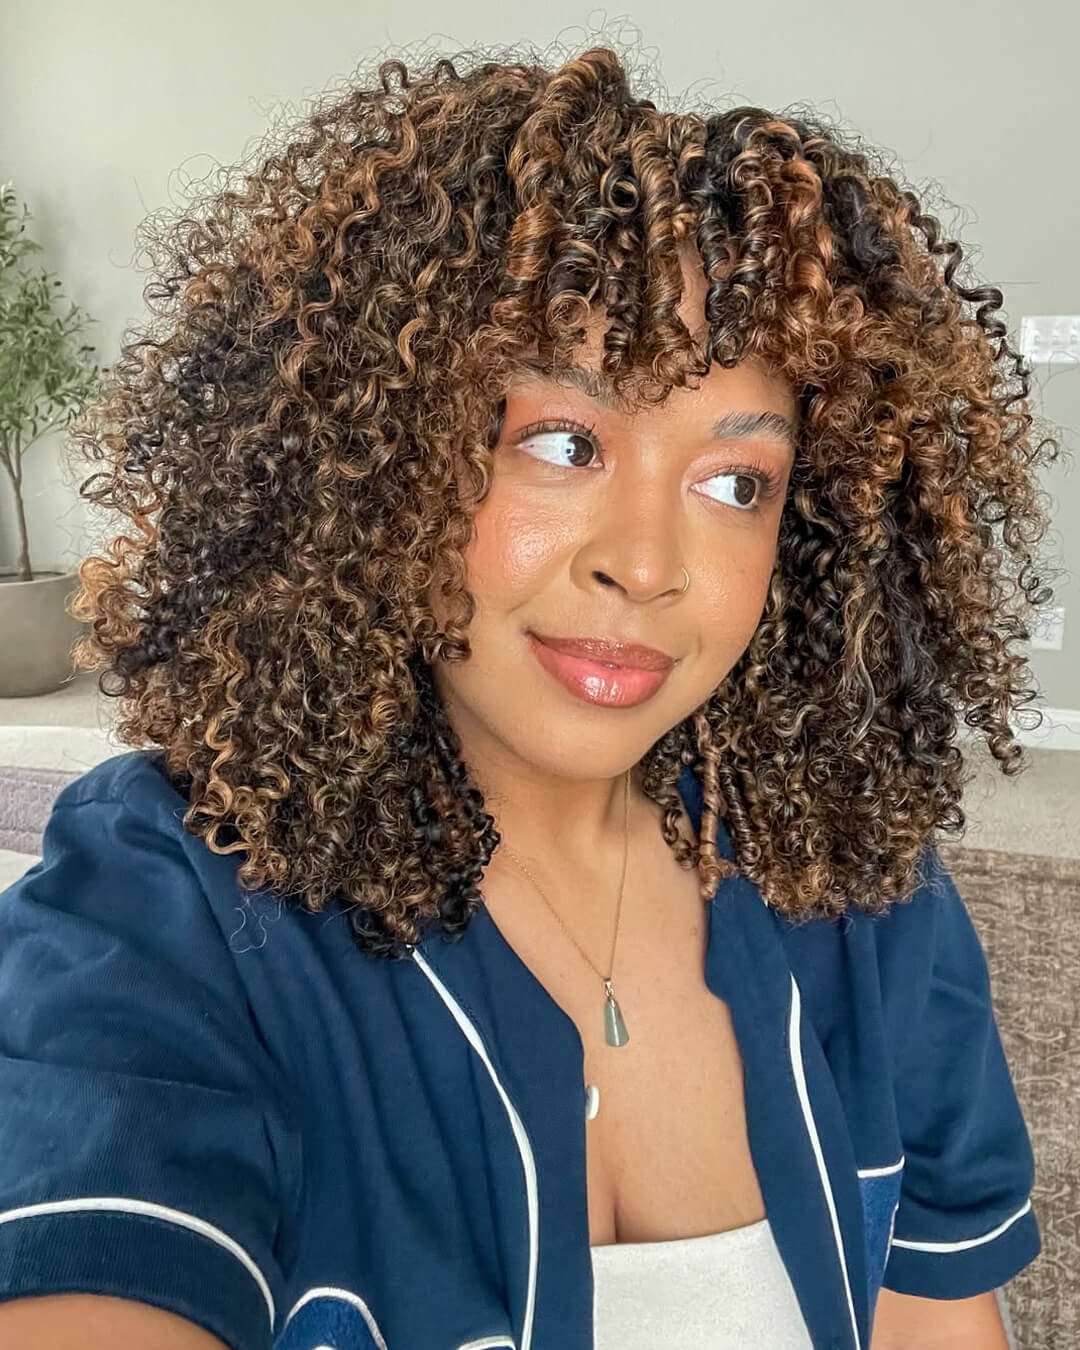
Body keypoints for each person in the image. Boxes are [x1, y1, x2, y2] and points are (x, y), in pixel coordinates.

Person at [0, 38, 1056, 1350]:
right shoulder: (172, 901)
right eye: (563, 441)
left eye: (738, 484)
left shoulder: (860, 886)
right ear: (377, 453)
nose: (648, 564)